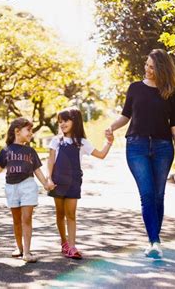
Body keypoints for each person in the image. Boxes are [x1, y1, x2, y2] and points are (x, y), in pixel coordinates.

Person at [106, 48, 175, 259]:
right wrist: (112, 127)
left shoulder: (171, 93)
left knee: (159, 196)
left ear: (161, 69)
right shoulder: (135, 88)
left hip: (162, 148)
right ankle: (154, 241)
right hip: (137, 146)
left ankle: (153, 238)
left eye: (151, 67)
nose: (147, 69)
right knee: (147, 194)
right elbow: (126, 116)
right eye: (146, 65)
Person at [47, 107, 114, 259]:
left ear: (75, 121)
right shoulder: (56, 141)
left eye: (66, 120)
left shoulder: (82, 143)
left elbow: (101, 155)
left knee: (71, 214)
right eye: (60, 121)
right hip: (57, 181)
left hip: (73, 182)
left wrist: (109, 142)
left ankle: (72, 247)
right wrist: (48, 179)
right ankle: (64, 242)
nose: (62, 124)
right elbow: (50, 160)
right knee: (60, 213)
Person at [0, 117, 54, 263]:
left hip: (28, 185)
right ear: (17, 131)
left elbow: (37, 170)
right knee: (16, 220)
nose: (31, 133)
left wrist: (45, 184)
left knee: (26, 219)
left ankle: (27, 252)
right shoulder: (6, 151)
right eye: (28, 130)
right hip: (11, 187)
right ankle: (19, 247)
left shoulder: (30, 151)